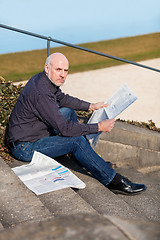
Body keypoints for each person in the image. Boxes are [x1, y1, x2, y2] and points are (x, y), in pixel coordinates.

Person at [7, 52, 146, 195]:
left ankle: (85, 158)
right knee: (77, 141)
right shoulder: (42, 93)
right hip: (25, 147)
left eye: (65, 70)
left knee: (68, 111)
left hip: (33, 132)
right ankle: (113, 181)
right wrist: (98, 127)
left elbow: (62, 99)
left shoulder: (43, 79)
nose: (62, 75)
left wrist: (90, 106)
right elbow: (65, 129)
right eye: (58, 70)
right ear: (47, 68)